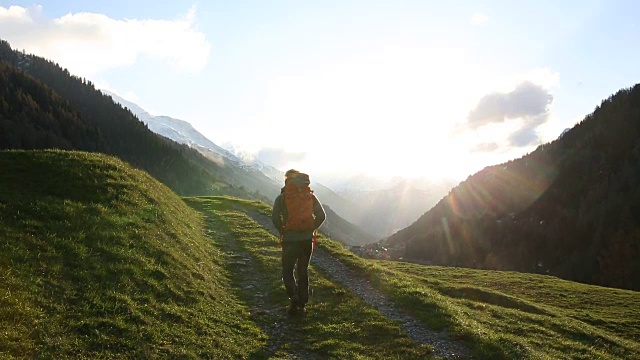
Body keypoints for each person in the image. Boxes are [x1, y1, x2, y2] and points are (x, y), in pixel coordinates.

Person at [272, 169, 326, 315]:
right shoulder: (310, 196)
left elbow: (275, 218)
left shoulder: (282, 198)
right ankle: (302, 304)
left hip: (289, 240)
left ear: (287, 181)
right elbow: (321, 215)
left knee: (287, 270)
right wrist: (311, 228)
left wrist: (283, 230)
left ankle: (293, 296)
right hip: (306, 240)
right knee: (303, 270)